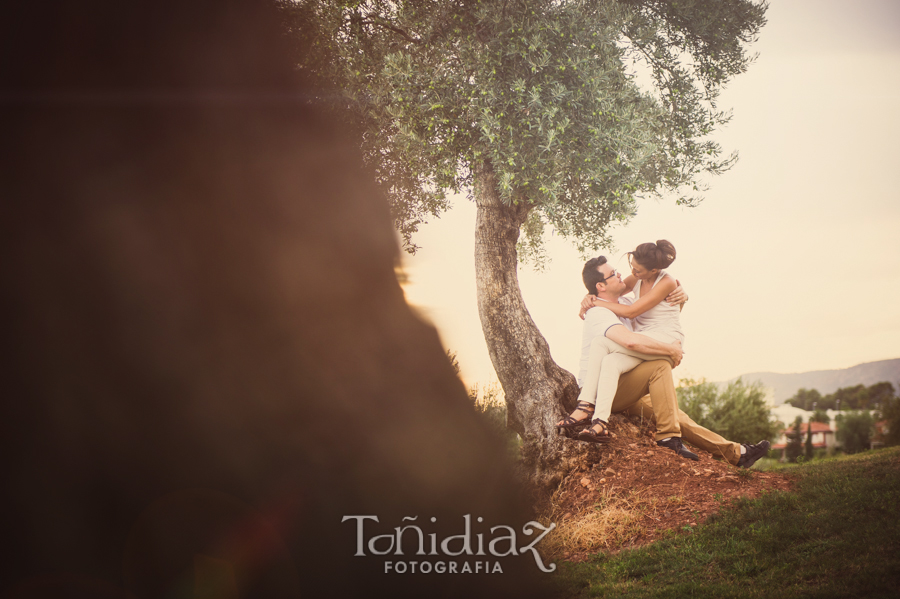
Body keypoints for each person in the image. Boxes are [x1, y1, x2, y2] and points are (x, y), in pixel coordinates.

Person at [559, 255, 770, 467]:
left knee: (676, 415)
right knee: (659, 366)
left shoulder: (625, 302)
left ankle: (737, 453)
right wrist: (671, 350)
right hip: (601, 389)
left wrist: (681, 297)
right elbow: (631, 342)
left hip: (625, 380)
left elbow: (661, 318)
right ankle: (667, 438)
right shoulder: (597, 313)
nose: (620, 274)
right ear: (600, 286)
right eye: (613, 274)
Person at [561, 242, 685, 443]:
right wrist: (590, 296)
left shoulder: (667, 282)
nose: (631, 272)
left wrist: (594, 302)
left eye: (637, 269)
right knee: (609, 361)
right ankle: (600, 422)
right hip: (644, 342)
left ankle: (584, 406)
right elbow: (609, 291)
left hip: (664, 339)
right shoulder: (637, 279)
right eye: (631, 266)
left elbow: (632, 313)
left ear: (653, 270)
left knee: (601, 344)